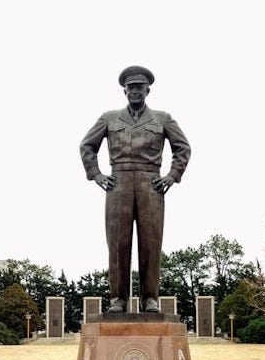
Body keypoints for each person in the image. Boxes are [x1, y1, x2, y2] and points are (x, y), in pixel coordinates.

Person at [80, 65, 191, 313]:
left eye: (139, 87)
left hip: (150, 184)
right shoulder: (109, 118)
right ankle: (118, 299)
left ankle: (150, 298)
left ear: (147, 90)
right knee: (118, 243)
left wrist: (172, 175)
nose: (135, 91)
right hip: (118, 184)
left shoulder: (163, 119)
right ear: (124, 91)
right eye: (130, 88)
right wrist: (96, 174)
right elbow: (87, 146)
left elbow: (183, 148)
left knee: (151, 243)